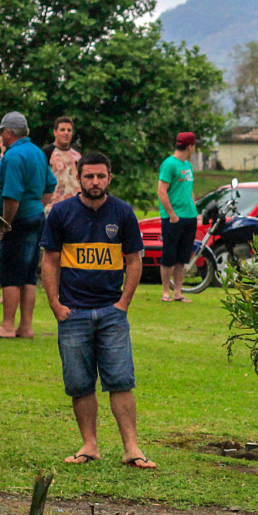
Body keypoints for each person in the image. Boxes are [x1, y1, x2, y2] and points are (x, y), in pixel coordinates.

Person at [40, 151, 156, 469]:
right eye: (89, 176)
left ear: (109, 178)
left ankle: (132, 448)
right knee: (80, 382)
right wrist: (55, 305)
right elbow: (49, 260)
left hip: (111, 313)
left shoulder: (123, 212)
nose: (95, 182)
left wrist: (123, 304)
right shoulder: (61, 213)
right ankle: (89, 445)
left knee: (120, 380)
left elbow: (134, 260)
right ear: (79, 177)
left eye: (100, 176)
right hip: (72, 313)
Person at [0, 111, 56, 339]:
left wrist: (4, 224)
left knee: (9, 272)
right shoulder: (37, 152)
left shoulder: (13, 156)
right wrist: (36, 207)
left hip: (17, 222)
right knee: (28, 274)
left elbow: (11, 196)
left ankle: (8, 326)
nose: (0, 136)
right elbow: (51, 183)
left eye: (1, 132)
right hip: (36, 218)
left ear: (9, 133)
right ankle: (25, 327)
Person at [157, 131, 198, 302]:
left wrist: (194, 206)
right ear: (190, 146)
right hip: (173, 218)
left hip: (190, 217)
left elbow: (188, 190)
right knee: (169, 257)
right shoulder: (169, 164)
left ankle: (178, 293)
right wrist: (172, 215)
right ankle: (166, 292)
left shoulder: (187, 165)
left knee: (182, 258)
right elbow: (161, 191)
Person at [43, 116, 81, 213]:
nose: (66, 133)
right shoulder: (46, 152)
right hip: (52, 208)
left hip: (75, 208)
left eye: (69, 130)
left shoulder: (78, 155)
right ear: (55, 132)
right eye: (62, 130)